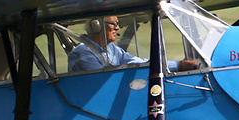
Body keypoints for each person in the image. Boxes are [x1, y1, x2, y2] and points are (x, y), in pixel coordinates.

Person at [67, 16, 198, 73]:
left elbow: (139, 63)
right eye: (113, 24)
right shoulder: (83, 53)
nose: (117, 28)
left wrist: (179, 65)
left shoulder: (112, 49)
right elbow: (103, 83)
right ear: (96, 26)